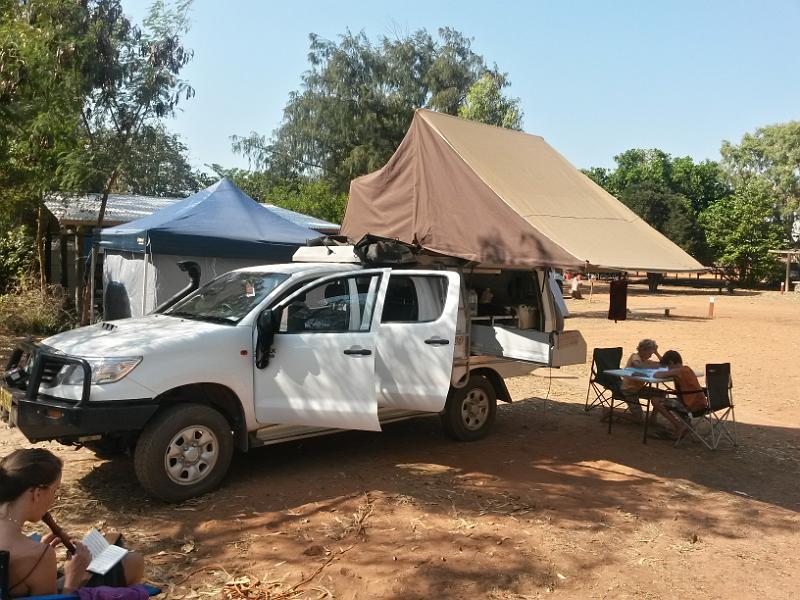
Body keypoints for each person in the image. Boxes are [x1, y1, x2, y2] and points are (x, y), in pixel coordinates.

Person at [0, 448, 144, 597]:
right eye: (54, 491)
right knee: (134, 562)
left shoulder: (34, 553)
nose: (54, 499)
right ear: (37, 493)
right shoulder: (37, 556)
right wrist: (72, 580)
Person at [651, 350, 708, 438]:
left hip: (690, 405)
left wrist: (667, 373)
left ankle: (678, 425)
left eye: (668, 366)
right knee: (669, 398)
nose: (668, 368)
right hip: (700, 403)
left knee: (655, 400)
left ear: (671, 363)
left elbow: (657, 375)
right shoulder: (687, 369)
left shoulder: (678, 371)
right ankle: (685, 425)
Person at [618, 339, 663, 422]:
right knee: (638, 419)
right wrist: (651, 367)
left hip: (638, 389)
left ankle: (653, 419)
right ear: (643, 350)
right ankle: (613, 413)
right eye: (650, 353)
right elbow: (637, 365)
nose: (650, 356)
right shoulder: (635, 356)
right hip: (629, 390)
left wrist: (656, 352)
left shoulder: (645, 360)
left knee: (661, 394)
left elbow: (664, 364)